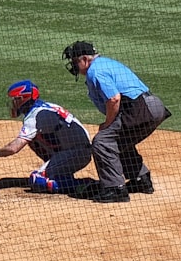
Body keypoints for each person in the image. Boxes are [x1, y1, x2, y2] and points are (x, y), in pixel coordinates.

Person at [62, 41, 171, 203]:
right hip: (154, 106)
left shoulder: (95, 71)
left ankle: (115, 189)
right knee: (119, 140)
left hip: (140, 108)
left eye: (75, 61)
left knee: (102, 142)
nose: (73, 65)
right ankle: (141, 179)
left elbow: (114, 99)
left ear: (84, 59)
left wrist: (107, 123)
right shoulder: (106, 63)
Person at [0, 80, 92, 194]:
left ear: (23, 99)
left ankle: (83, 185)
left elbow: (13, 148)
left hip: (77, 153)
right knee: (34, 140)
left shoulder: (34, 116)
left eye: (15, 99)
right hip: (76, 148)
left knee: (37, 180)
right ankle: (59, 172)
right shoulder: (44, 106)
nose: (13, 103)